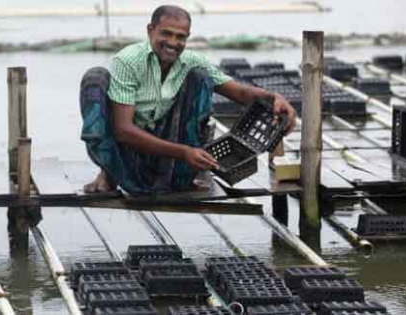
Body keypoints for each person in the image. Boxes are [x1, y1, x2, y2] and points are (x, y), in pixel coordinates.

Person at [79, 5, 296, 195]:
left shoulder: (191, 61)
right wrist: (184, 152)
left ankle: (182, 175)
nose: (173, 42)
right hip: (128, 147)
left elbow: (239, 93)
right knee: (95, 78)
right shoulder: (129, 61)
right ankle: (108, 172)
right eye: (166, 33)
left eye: (181, 36)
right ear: (150, 30)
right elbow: (123, 130)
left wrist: (273, 97)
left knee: (200, 77)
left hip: (164, 142)